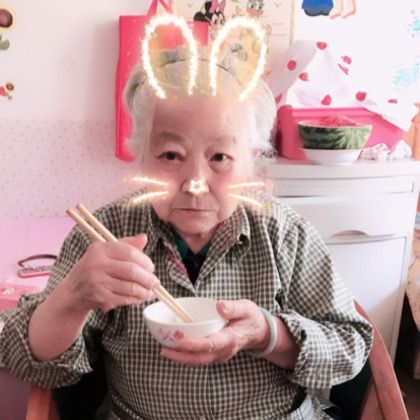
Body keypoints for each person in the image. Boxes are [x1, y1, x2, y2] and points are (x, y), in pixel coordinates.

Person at [0, 26, 372, 420]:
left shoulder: (285, 232)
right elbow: (24, 360)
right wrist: (72, 298)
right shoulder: (105, 234)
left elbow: (350, 347)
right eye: (171, 155)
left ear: (251, 160)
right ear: (141, 154)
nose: (195, 183)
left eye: (220, 158)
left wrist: (267, 334)